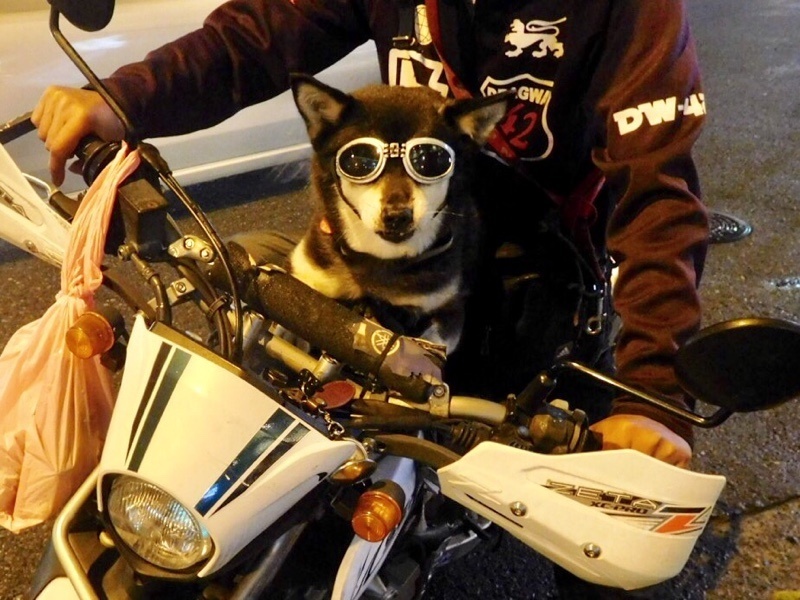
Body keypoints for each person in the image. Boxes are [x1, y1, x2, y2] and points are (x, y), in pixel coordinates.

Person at [33, 1, 703, 467]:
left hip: (534, 272)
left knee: (605, 525)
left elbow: (658, 192)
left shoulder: (632, 10)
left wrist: (656, 397)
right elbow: (258, 34)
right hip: (384, 256)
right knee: (247, 330)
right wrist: (123, 100)